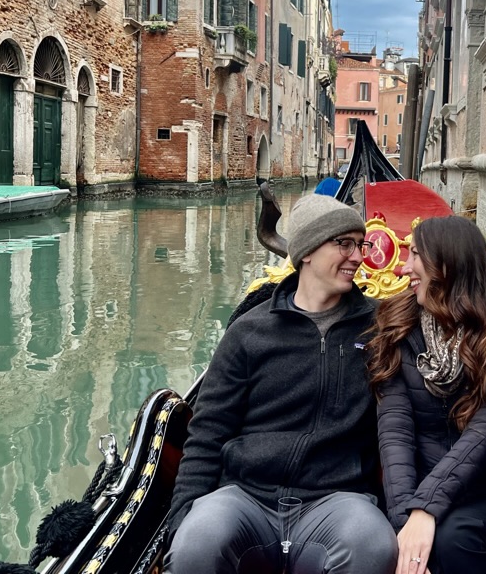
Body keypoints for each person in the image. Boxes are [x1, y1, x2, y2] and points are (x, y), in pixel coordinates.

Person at [164, 194, 398, 574]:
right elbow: (208, 431)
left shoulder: (380, 329)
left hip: (335, 501)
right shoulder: (249, 332)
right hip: (245, 498)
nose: (358, 257)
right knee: (196, 542)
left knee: (372, 544)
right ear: (306, 252)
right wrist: (182, 517)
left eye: (362, 244)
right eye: (344, 244)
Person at [367, 215, 486, 574]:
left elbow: (484, 434)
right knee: (406, 545)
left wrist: (426, 510)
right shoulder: (397, 330)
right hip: (418, 489)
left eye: (415, 255)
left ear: (446, 265)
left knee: (455, 537)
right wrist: (406, 519)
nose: (404, 269)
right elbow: (395, 432)